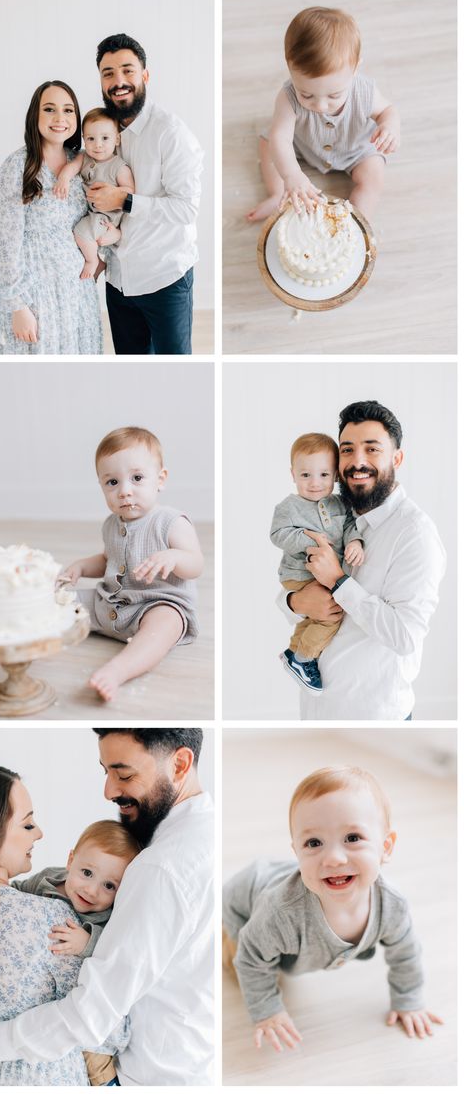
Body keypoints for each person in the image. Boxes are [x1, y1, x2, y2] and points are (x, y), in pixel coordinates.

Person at [0, 728, 215, 1086]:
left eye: (124, 774)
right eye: (105, 772)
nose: (108, 791)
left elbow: (91, 1016)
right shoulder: (207, 831)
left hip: (150, 1076)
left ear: (180, 764)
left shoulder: (159, 868)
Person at [222, 766, 443, 1052]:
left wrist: (408, 1000)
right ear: (297, 852)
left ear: (386, 847)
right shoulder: (281, 913)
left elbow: (406, 954)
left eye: (352, 838)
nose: (334, 858)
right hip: (243, 903)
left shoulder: (392, 905)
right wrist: (268, 1011)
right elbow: (251, 960)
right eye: (313, 843)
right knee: (236, 965)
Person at [277, 401, 446, 720]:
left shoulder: (415, 535)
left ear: (396, 458)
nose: (357, 462)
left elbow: (405, 637)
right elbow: (293, 583)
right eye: (347, 450)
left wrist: (339, 583)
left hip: (372, 718)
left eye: (372, 450)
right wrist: (296, 601)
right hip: (316, 712)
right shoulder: (328, 512)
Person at [0, 766, 129, 1086]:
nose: (39, 833)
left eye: (109, 886)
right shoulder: (49, 921)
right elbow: (110, 1027)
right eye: (28, 823)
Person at [60, 426, 202, 702]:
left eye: (137, 478)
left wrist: (173, 557)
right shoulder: (112, 524)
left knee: (164, 626)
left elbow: (196, 564)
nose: (125, 491)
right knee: (62, 602)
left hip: (157, 604)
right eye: (112, 482)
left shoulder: (171, 522)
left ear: (160, 479)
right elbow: (107, 560)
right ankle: (29, 630)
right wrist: (80, 567)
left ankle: (118, 670)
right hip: (111, 603)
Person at [89, 34, 203, 354]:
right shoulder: (102, 132)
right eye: (108, 73)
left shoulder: (172, 134)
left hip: (164, 279)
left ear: (145, 76)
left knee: (174, 372)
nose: (119, 81)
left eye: (128, 70)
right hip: (118, 280)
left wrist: (124, 200)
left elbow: (186, 210)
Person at [12, 819, 141, 1086]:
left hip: (84, 1006)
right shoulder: (48, 878)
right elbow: (16, 893)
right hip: (41, 992)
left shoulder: (108, 916)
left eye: (109, 886)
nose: (91, 890)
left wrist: (87, 942)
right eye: (87, 873)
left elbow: (116, 949)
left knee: (96, 1055)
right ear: (71, 860)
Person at [247, 7, 400, 222]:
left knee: (374, 178)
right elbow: (281, 137)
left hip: (355, 150)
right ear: (290, 68)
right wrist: (291, 175)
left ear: (355, 69)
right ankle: (277, 193)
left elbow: (387, 110)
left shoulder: (365, 92)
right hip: (305, 144)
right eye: (307, 95)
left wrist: (389, 127)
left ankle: (356, 224)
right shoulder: (287, 97)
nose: (320, 105)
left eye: (334, 95)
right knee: (269, 144)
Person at [0, 81, 102, 354]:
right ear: (35, 116)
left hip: (76, 292)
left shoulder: (84, 164)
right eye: (49, 109)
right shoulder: (18, 167)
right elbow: (4, 243)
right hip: (35, 294)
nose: (60, 118)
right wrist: (17, 306)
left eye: (68, 110)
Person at [271, 432, 364, 696]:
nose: (314, 483)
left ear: (335, 474)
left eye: (323, 475)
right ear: (293, 474)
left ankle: (293, 652)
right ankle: (304, 659)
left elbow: (349, 527)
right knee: (331, 615)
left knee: (315, 616)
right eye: (305, 475)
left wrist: (355, 542)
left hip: (324, 574)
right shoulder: (288, 507)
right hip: (299, 573)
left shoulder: (339, 503)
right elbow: (277, 534)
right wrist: (307, 541)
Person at [53, 107, 135, 279]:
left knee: (81, 233)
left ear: (117, 139)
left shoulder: (118, 166)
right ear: (84, 139)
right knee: (80, 231)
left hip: (107, 216)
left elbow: (130, 191)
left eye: (105, 138)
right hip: (91, 212)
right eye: (91, 138)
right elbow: (71, 167)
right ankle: (97, 257)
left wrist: (113, 192)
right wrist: (64, 179)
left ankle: (93, 262)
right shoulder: (84, 157)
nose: (98, 145)